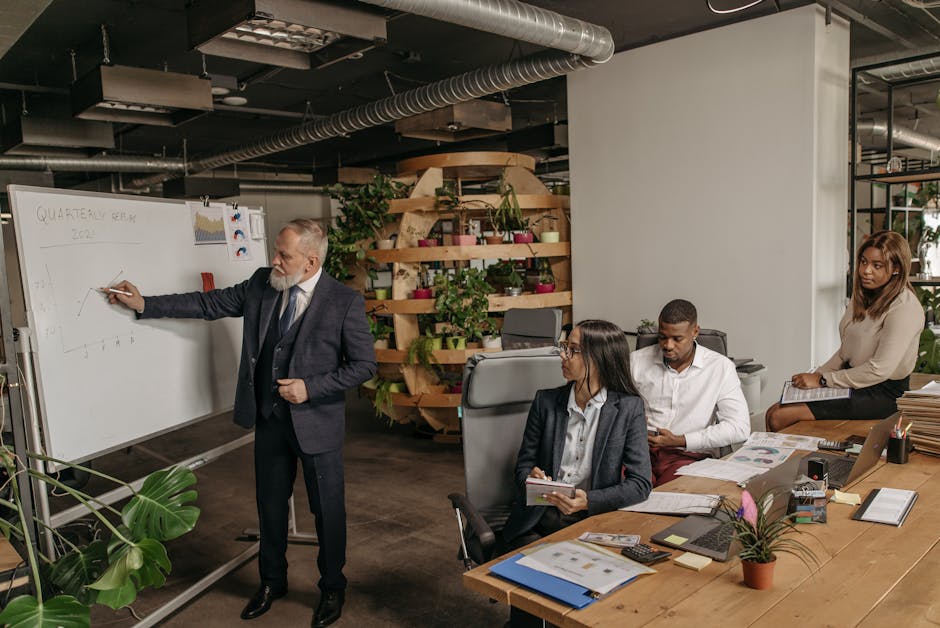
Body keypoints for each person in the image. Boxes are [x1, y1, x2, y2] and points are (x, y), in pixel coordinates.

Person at [105, 218, 376, 627]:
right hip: (269, 420)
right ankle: (272, 582)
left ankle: (332, 588)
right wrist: (146, 304)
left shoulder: (344, 302)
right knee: (269, 508)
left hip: (316, 425)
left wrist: (311, 387)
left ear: (311, 259)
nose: (274, 261)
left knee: (328, 513)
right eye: (276, 251)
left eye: (284, 254)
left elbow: (363, 365)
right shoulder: (262, 283)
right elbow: (207, 304)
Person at [500, 319, 652, 548]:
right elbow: (522, 467)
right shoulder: (546, 402)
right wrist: (533, 480)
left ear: (599, 358)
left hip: (595, 520)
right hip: (541, 519)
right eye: (565, 347)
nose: (563, 356)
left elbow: (640, 484)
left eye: (573, 350)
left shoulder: (628, 409)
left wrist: (588, 501)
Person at [766, 230, 924, 432]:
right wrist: (818, 374)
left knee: (780, 416)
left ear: (896, 269)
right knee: (773, 411)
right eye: (864, 262)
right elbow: (845, 352)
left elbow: (880, 370)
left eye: (877, 266)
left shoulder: (904, 307)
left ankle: (787, 461)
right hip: (853, 380)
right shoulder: (865, 296)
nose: (866, 271)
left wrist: (823, 380)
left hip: (882, 393)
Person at [630, 299, 750, 486]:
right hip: (639, 451)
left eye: (677, 339)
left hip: (687, 456)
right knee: (621, 493)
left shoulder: (720, 367)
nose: (668, 345)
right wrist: (631, 422)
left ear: (695, 332)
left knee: (668, 499)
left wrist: (680, 440)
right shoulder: (635, 362)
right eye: (662, 337)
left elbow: (739, 428)